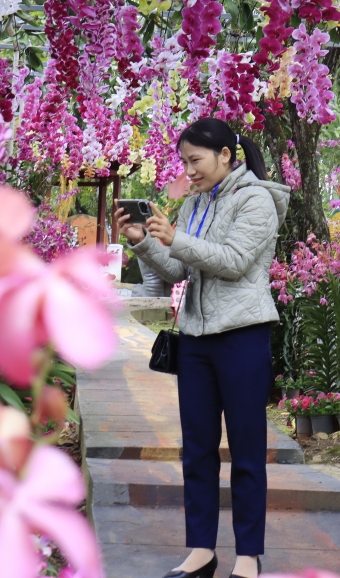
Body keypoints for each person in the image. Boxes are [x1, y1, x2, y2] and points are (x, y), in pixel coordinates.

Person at [114, 119, 290, 578]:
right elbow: (177, 270)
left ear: (227, 155)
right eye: (185, 162)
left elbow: (233, 262)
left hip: (242, 335)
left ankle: (248, 556)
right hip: (194, 340)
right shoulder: (194, 204)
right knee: (197, 450)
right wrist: (145, 242)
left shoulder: (258, 200)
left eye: (196, 161)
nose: (189, 171)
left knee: (248, 450)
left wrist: (178, 239)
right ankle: (201, 551)